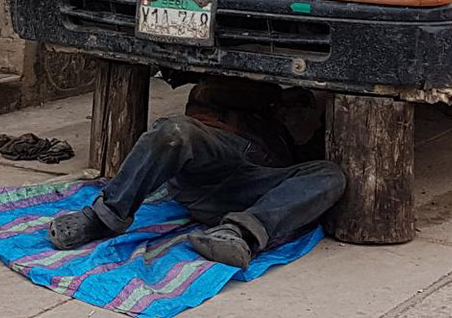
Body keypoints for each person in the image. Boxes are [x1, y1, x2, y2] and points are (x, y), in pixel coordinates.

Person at [46, 78, 348, 268]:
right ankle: (104, 217)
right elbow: (191, 118)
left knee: (331, 175)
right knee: (173, 130)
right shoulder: (227, 98)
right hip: (214, 165)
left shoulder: (302, 132)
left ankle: (238, 233)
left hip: (257, 187)